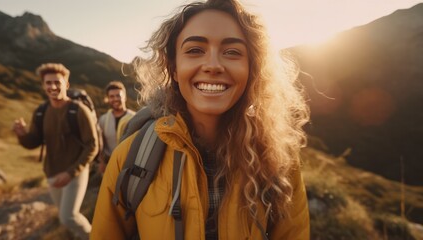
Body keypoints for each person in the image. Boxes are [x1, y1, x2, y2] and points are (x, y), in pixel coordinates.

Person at [91, 0, 310, 239]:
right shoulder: (130, 157)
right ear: (173, 68)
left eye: (232, 52)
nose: (213, 65)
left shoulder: (278, 159)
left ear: (252, 69)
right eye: (195, 50)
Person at [12, 63, 97, 239]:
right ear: (43, 86)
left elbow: (92, 145)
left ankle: (96, 237)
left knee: (68, 217)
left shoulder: (78, 110)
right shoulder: (41, 111)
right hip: (52, 172)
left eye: (57, 82)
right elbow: (33, 142)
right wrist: (22, 135)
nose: (52, 87)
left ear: (66, 84)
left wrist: (70, 173)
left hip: (75, 171)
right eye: (48, 83)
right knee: (64, 217)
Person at [97, 81, 135, 173]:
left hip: (130, 164)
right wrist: (102, 162)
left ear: (125, 97)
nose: (115, 99)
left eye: (118, 96)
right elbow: (101, 143)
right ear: (108, 99)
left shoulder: (135, 118)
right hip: (110, 164)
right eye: (111, 96)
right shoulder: (103, 119)